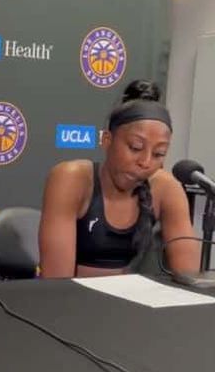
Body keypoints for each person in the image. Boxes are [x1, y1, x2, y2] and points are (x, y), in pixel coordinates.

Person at [39, 79, 199, 278]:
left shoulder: (166, 188)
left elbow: (189, 278)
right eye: (135, 147)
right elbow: (56, 283)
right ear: (107, 140)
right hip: (73, 296)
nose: (146, 162)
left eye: (159, 154)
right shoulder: (72, 179)